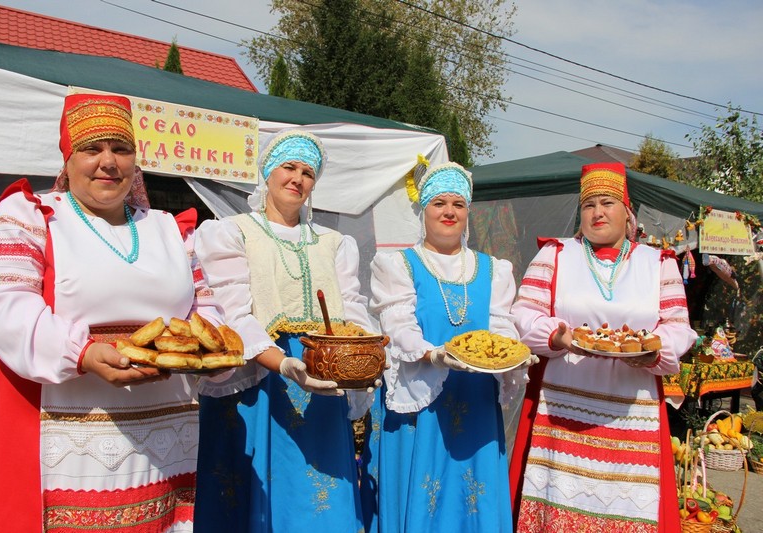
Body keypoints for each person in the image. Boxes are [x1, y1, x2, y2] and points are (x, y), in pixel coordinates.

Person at [0, 93, 224, 532]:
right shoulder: (33, 215)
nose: (108, 161)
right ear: (68, 159)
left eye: (121, 149)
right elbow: (1, 299)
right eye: (92, 149)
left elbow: (206, 308)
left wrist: (208, 351)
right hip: (60, 416)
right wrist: (81, 353)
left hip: (162, 432)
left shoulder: (167, 227)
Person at [193, 129, 375, 532]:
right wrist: (285, 365)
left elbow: (353, 308)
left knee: (317, 496)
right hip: (258, 375)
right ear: (267, 174)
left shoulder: (334, 242)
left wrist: (364, 352)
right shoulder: (233, 232)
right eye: (288, 167)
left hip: (324, 375)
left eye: (308, 172)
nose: (297, 178)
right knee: (253, 497)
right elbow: (233, 314)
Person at [509, 162, 697, 532]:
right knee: (558, 497)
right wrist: (558, 336)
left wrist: (652, 351)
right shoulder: (556, 254)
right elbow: (523, 313)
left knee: (625, 502)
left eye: (607, 202)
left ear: (626, 212)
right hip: (562, 404)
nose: (597, 212)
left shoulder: (657, 263)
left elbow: (678, 328)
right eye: (589, 204)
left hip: (632, 405)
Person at [361, 161, 527, 532]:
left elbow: (501, 328)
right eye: (439, 203)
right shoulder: (399, 265)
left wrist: (514, 354)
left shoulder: (492, 269)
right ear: (423, 210)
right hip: (420, 402)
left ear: (468, 211)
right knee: (424, 493)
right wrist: (432, 354)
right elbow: (397, 324)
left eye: (458, 204)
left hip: (476, 401)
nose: (449, 212)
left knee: (472, 496)